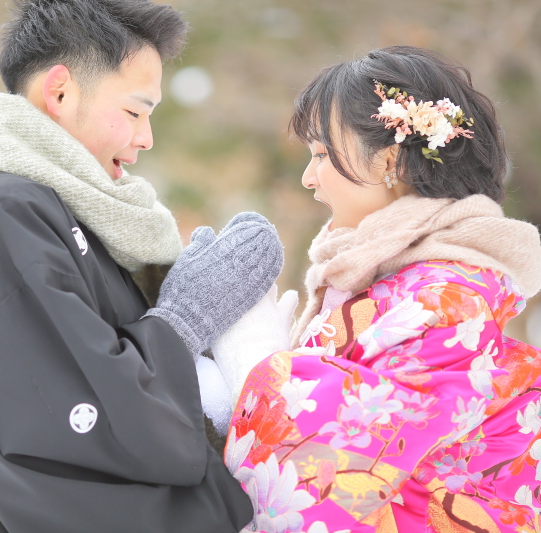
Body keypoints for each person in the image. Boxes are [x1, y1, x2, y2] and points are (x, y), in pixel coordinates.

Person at [0, 0, 285, 531]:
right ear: (60, 92)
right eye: (134, 112)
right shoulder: (2, 210)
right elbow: (71, 411)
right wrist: (182, 321)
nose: (145, 138)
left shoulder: (69, 212)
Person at [209, 46, 541, 532]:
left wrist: (257, 365)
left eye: (322, 154)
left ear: (391, 162)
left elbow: (343, 460)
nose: (308, 178)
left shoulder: (448, 298)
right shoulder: (408, 281)